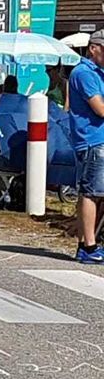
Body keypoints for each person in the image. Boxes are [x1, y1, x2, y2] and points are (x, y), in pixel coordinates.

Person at [69, 30, 104, 263]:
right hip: (93, 140)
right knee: (92, 193)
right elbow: (100, 109)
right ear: (93, 48)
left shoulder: (98, 73)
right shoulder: (84, 73)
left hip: (97, 139)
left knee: (92, 193)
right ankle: (89, 247)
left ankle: (86, 242)